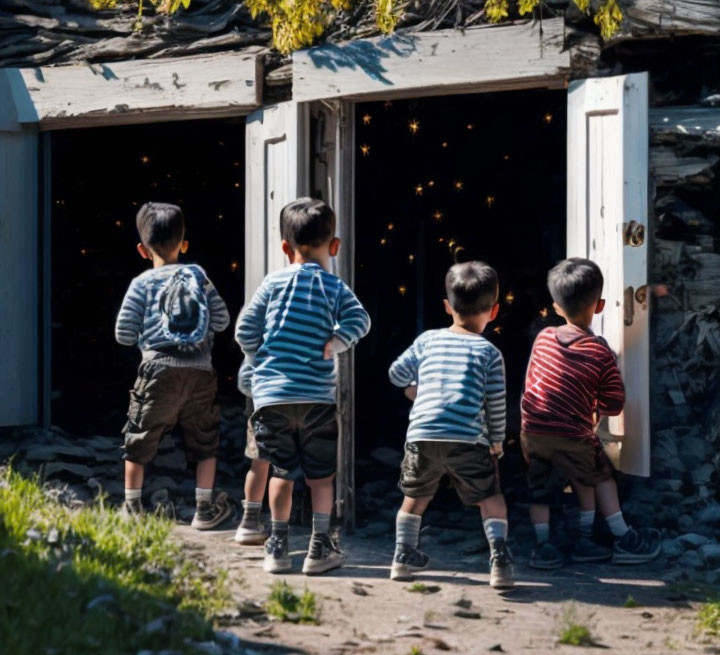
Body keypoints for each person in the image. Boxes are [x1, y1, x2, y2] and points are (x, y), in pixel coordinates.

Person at [235, 197, 370, 575]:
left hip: (271, 399)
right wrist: (337, 342)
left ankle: (276, 546)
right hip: (317, 402)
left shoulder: (272, 283)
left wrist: (261, 358)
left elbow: (244, 330)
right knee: (320, 478)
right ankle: (319, 547)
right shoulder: (334, 288)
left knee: (282, 472)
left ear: (284, 247)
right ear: (335, 246)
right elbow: (362, 320)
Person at [521, 257, 660, 568]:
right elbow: (614, 405)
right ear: (600, 306)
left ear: (556, 306)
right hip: (573, 434)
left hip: (533, 432)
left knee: (540, 489)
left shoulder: (543, 339)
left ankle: (543, 547)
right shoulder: (600, 352)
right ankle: (622, 537)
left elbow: (533, 381)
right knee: (600, 475)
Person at [388, 261, 515, 589]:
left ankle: (403, 556)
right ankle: (500, 561)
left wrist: (413, 389)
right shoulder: (489, 352)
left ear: (448, 307)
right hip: (468, 440)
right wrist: (497, 441)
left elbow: (396, 373)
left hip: (423, 437)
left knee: (415, 497)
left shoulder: (427, 340)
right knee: (490, 496)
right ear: (495, 310)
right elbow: (495, 404)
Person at [115, 202, 232, 530]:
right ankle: (204, 512)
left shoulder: (141, 284)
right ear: (184, 245)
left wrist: (147, 339)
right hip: (200, 372)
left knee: (138, 436)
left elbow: (123, 334)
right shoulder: (200, 277)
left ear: (142, 250)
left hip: (157, 369)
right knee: (205, 441)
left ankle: (133, 508)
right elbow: (222, 320)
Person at [234, 356, 271, 545]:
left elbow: (245, 335)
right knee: (287, 465)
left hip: (262, 386)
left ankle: (250, 521)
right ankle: (282, 530)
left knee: (260, 460)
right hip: (299, 388)